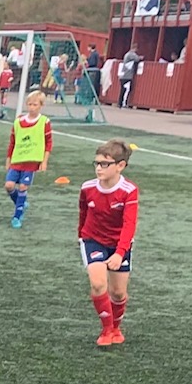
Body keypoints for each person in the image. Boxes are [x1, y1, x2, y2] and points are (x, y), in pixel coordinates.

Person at [80, 140, 138, 346]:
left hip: (119, 244)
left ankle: (115, 328)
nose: (98, 168)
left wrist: (120, 253)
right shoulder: (87, 188)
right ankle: (105, 330)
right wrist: (81, 236)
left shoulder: (129, 190)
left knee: (118, 292)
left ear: (120, 166)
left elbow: (129, 225)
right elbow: (83, 212)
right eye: (96, 163)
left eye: (104, 164)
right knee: (97, 283)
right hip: (93, 240)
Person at [4, 89, 52, 228]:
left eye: (35, 105)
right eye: (30, 104)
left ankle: (17, 216)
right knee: (9, 186)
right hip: (17, 160)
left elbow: (49, 142)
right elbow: (12, 141)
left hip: (31, 161)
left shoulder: (44, 122)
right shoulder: (18, 121)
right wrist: (9, 158)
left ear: (41, 106)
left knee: (24, 186)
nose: (32, 107)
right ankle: (21, 202)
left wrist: (44, 161)